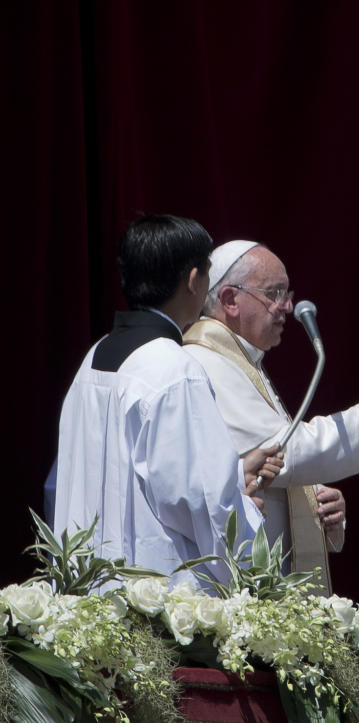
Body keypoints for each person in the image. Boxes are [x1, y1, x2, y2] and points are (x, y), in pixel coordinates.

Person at [54, 215, 282, 590]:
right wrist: (246, 521)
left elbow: (120, 472)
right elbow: (198, 501)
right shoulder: (175, 368)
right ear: (194, 280)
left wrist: (236, 474)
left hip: (88, 593)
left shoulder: (93, 358)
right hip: (156, 601)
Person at [184, 240, 359, 580]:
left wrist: (318, 504)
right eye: (274, 293)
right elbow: (284, 452)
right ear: (229, 300)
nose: (288, 305)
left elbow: (273, 469)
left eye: (287, 292)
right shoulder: (207, 363)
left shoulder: (242, 363)